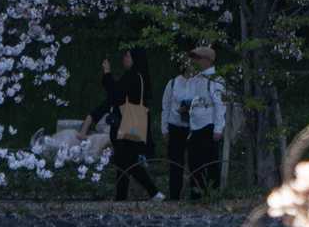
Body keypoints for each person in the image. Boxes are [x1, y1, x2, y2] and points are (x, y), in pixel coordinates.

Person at [82, 47, 163, 201]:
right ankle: (122, 197)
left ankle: (153, 192)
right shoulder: (138, 77)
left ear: (134, 59)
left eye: (127, 56)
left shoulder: (133, 77)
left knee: (127, 161)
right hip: (130, 125)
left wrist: (107, 73)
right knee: (123, 161)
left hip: (126, 126)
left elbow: (115, 94)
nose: (124, 59)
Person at [162, 44, 228, 201]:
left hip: (209, 126)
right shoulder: (195, 80)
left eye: (198, 58)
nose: (196, 62)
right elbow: (190, 99)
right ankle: (196, 196)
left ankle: (212, 196)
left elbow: (220, 105)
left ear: (207, 60)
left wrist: (218, 128)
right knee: (195, 164)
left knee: (210, 163)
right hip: (195, 127)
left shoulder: (216, 80)